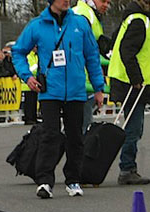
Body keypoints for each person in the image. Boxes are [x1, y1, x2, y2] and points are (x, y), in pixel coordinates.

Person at [12, 0, 105, 199]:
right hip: (50, 91)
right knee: (49, 135)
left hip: (76, 90)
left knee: (75, 137)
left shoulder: (80, 24)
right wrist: (27, 76)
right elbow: (18, 52)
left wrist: (99, 88)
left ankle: (73, 180)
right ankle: (44, 181)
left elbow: (92, 56)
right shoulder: (37, 25)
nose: (67, 1)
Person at [107, 0, 150, 185]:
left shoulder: (141, 20)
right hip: (131, 83)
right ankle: (127, 168)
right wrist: (136, 78)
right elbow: (127, 51)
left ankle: (128, 167)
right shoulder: (140, 22)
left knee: (135, 127)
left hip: (134, 83)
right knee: (133, 128)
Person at [73, 0, 112, 134]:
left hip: (83, 80)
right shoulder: (84, 14)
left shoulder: (90, 14)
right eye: (103, 1)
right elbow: (88, 54)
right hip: (82, 81)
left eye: (108, 2)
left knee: (79, 127)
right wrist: (97, 87)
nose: (106, 5)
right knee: (83, 128)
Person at [19, 46, 39, 125]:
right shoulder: (29, 56)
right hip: (27, 83)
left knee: (34, 102)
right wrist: (37, 68)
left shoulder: (36, 56)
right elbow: (30, 68)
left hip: (35, 82)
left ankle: (34, 117)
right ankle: (28, 118)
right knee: (29, 102)